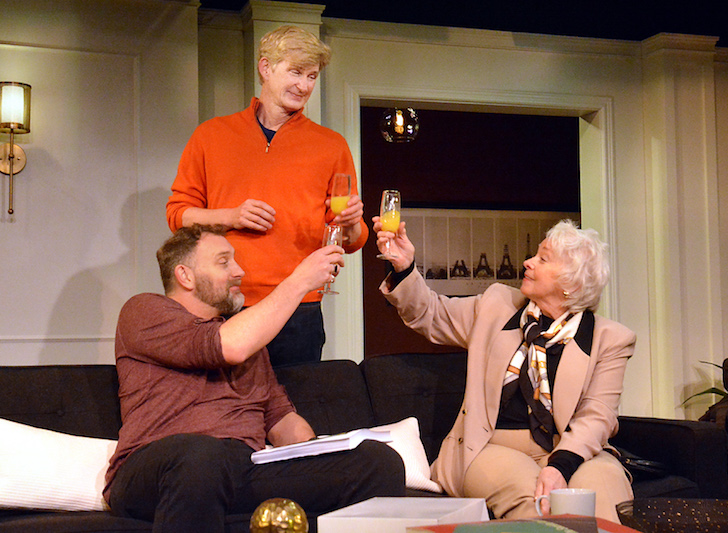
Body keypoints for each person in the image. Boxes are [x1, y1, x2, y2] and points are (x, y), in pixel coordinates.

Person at [104, 225, 404, 533]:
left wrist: (321, 451)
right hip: (158, 469)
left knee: (377, 462)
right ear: (185, 275)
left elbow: (283, 422)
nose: (239, 271)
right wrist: (300, 281)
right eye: (224, 262)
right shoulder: (144, 310)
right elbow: (228, 346)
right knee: (201, 457)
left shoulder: (250, 340)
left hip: (241, 470)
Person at [373, 218, 635, 522]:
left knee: (604, 495)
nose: (528, 262)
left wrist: (559, 465)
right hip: (489, 446)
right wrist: (405, 268)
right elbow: (431, 314)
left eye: (542, 259)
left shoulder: (611, 339)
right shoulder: (496, 306)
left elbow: (597, 415)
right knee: (536, 502)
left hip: (569, 448)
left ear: (570, 284)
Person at [166, 25, 368, 367]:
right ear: (265, 68)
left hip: (298, 309)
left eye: (311, 76)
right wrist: (230, 216)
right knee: (223, 414)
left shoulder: (331, 146)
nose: (304, 85)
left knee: (292, 413)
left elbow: (350, 239)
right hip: (222, 303)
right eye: (295, 72)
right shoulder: (211, 135)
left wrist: (350, 223)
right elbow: (177, 215)